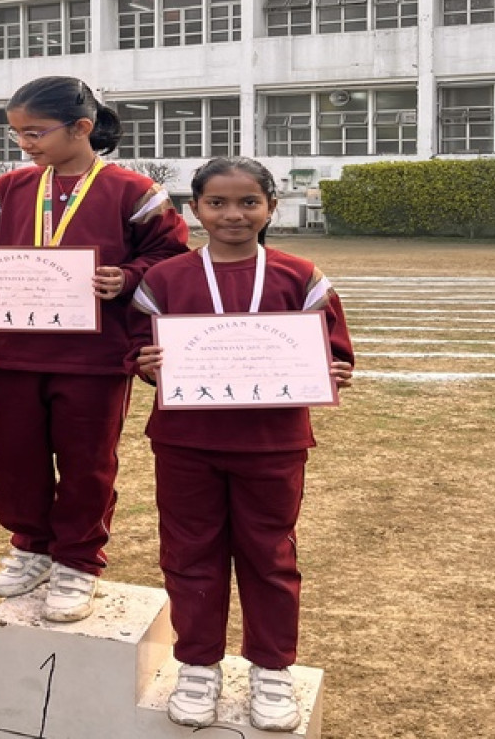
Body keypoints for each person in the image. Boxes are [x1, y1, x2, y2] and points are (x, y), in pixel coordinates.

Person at [0, 76, 188, 622]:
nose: (23, 143)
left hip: (94, 357)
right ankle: (31, 547)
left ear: (81, 128)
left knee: (86, 463)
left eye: (35, 132)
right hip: (13, 350)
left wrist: (127, 277)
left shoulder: (133, 190)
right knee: (12, 457)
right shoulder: (10, 188)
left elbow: (171, 257)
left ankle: (78, 561)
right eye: (16, 133)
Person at [128, 156, 354, 732]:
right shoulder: (165, 279)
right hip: (186, 443)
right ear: (195, 209)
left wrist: (335, 369)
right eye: (218, 203)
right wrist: (146, 364)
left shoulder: (301, 276)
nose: (233, 214)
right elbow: (136, 348)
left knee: (270, 555)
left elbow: (335, 350)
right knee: (189, 552)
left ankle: (272, 668)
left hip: (272, 445)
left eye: (249, 202)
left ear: (271, 208)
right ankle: (198, 664)